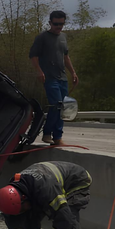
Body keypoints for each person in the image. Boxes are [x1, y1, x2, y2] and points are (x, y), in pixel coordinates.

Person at [29, 10, 79, 145]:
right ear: (50, 23)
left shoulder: (63, 37)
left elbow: (66, 57)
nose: (59, 27)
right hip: (49, 77)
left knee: (65, 107)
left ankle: (57, 137)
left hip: (62, 77)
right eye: (56, 24)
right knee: (57, 105)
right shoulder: (42, 38)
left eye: (61, 24)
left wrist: (73, 73)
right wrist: (39, 71)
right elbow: (33, 56)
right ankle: (47, 133)